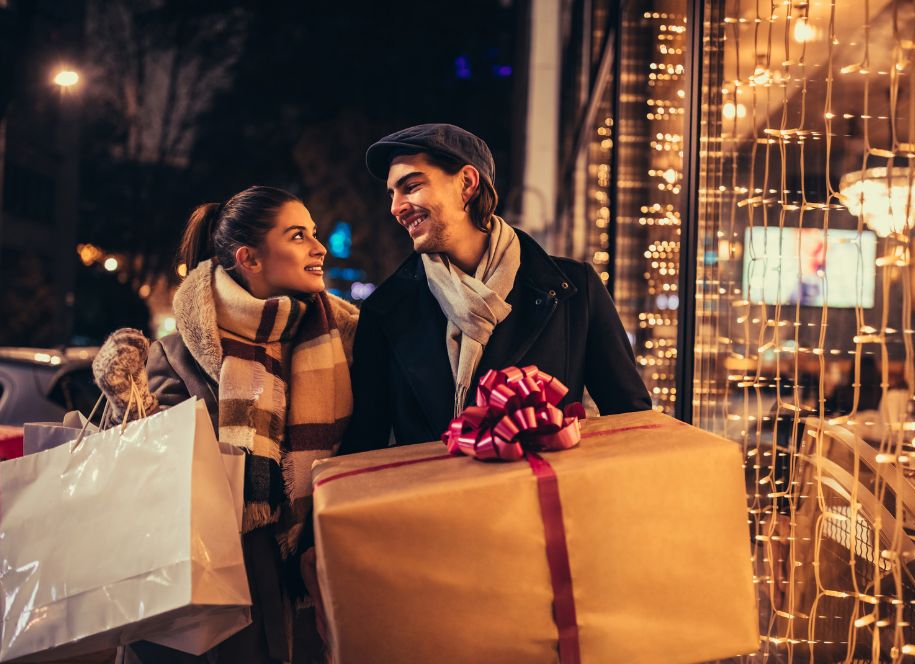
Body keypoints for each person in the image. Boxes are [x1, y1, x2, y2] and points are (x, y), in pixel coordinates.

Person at [93, 185, 357, 664]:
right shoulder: (178, 356)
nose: (319, 248)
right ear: (249, 258)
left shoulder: (344, 341)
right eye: (298, 236)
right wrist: (124, 399)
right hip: (212, 605)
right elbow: (146, 476)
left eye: (314, 234)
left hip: (318, 583)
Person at [339, 123, 650, 454]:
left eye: (411, 187)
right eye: (392, 194)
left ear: (468, 184)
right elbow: (365, 448)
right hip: (431, 503)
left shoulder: (575, 289)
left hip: (545, 500)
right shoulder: (386, 310)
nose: (396, 208)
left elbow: (631, 421)